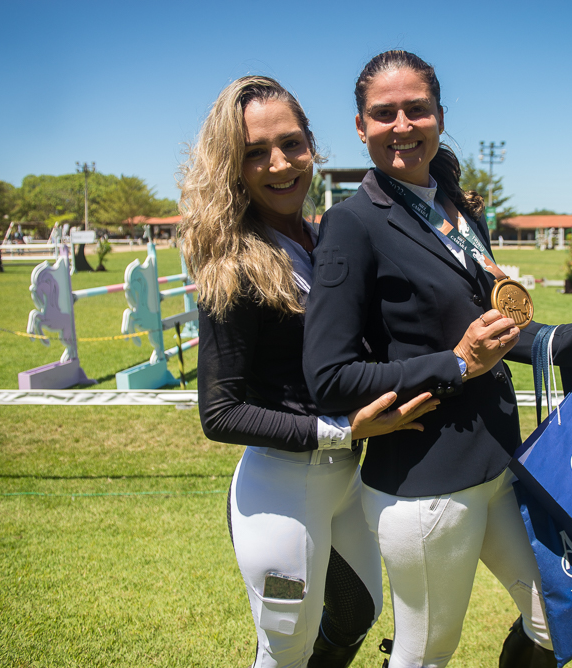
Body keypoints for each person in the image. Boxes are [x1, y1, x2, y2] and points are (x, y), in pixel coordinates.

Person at [303, 51, 572, 668]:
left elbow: (501, 331)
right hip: (424, 486)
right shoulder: (351, 224)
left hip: (499, 464)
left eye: (416, 109)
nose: (402, 125)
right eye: (384, 113)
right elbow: (330, 378)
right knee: (428, 653)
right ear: (359, 127)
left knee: (555, 614)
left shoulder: (459, 210)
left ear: (439, 115)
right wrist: (453, 364)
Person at [180, 75, 438, 668]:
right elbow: (219, 415)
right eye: (254, 153)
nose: (280, 164)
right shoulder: (233, 267)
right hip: (281, 486)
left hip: (346, 480)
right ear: (231, 166)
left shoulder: (326, 239)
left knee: (354, 616)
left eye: (292, 144)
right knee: (286, 647)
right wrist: (341, 430)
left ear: (313, 145)